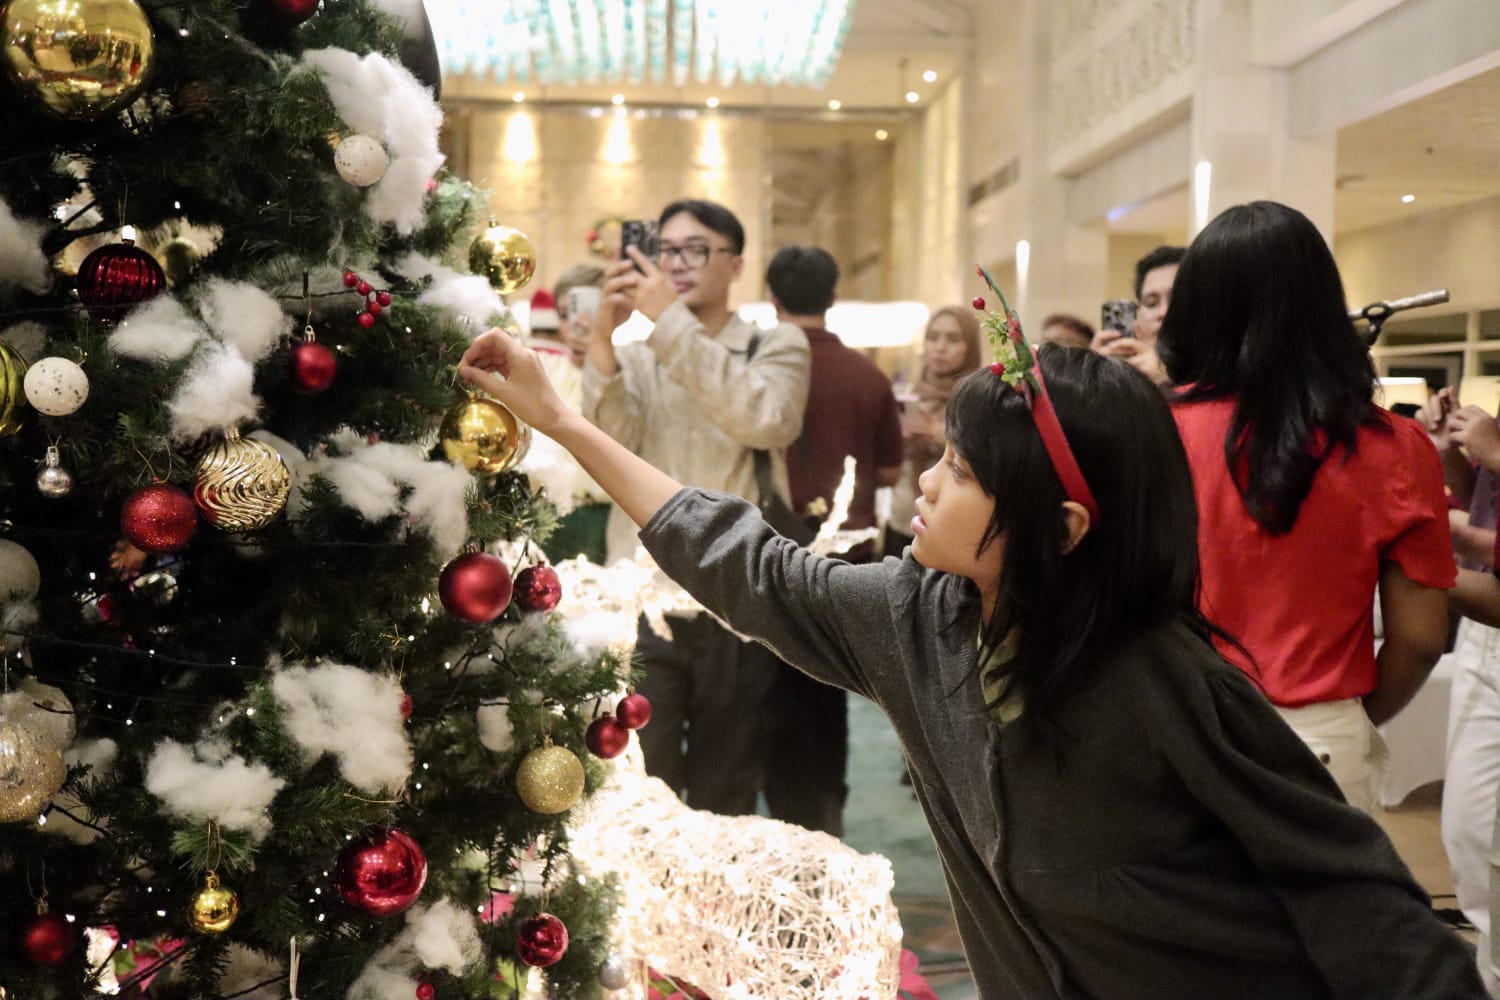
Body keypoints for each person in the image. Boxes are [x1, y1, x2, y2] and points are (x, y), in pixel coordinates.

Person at [458, 310, 1484, 1000]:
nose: (931, 488)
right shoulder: (920, 616)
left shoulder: (1166, 677)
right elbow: (748, 565)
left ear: (1062, 525)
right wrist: (560, 420)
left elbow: (1350, 887)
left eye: (961, 470)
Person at [1159, 200, 1454, 811]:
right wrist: (1346, 720)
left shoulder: (1152, 429)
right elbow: (1420, 639)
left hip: (1173, 727)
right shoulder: (1396, 446)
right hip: (1321, 743)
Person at [581, 199, 810, 815]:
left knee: (726, 784)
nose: (677, 264)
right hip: (644, 597)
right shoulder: (637, 349)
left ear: (735, 264)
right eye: (667, 250)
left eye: (696, 250)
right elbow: (609, 453)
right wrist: (604, 336)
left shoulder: (777, 344)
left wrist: (665, 321)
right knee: (637, 781)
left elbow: (764, 418)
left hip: (735, 599)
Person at [761, 243, 903, 836]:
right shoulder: (867, 375)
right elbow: (892, 472)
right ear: (834, 297)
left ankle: (771, 814)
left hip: (769, 547)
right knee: (827, 695)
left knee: (767, 690)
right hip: (848, 555)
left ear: (771, 300)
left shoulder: (761, 370)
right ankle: (824, 817)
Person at [1418, 389, 1500, 992]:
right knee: (1470, 834)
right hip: (1483, 635)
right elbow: (1483, 517)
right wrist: (1452, 455)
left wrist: (1413, 543)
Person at [885, 306, 981, 556]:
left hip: (951, 524)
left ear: (969, 346)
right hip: (903, 516)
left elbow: (985, 458)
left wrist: (941, 435)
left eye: (953, 339)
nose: (940, 347)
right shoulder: (909, 392)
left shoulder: (979, 397)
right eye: (933, 337)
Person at [537, 262, 611, 564]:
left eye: (588, 310)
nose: (575, 324)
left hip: (608, 517)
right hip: (547, 515)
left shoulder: (629, 375)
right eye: (565, 314)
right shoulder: (543, 370)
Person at [1092, 244, 1183, 385]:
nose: (1163, 312)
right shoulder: (1126, 374)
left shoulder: (1216, 377)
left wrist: (1166, 384)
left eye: (1175, 299)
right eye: (1151, 303)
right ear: (1137, 321)